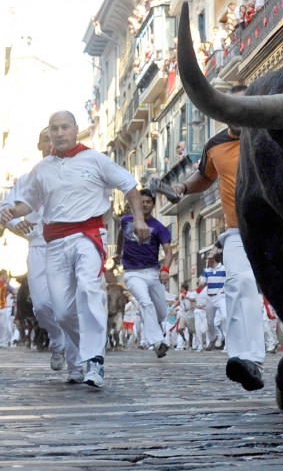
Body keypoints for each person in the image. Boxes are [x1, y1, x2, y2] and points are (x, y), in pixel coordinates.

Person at [0, 111, 150, 388]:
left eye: (64, 127)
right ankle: (86, 348)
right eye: (54, 128)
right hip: (53, 243)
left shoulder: (95, 159)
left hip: (87, 235)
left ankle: (94, 360)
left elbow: (129, 185)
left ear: (74, 130)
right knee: (61, 312)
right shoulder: (42, 169)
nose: (59, 133)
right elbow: (28, 202)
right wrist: (12, 211)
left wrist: (139, 218)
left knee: (89, 289)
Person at [172, 85, 266, 391]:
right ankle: (245, 358)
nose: (237, 113)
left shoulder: (270, 134)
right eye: (230, 107)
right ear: (222, 110)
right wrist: (184, 188)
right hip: (237, 230)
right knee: (239, 283)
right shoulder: (215, 145)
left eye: (243, 106)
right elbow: (204, 176)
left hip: (278, 229)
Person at [1, 128, 68, 370]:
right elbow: (5, 209)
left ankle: (80, 358)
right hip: (39, 246)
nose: (51, 143)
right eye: (45, 140)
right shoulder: (27, 179)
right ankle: (57, 340)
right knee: (41, 305)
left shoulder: (72, 174)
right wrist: (16, 223)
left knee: (69, 302)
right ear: (39, 145)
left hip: (67, 244)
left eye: (55, 138)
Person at [114, 188, 172, 359]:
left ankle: (157, 331)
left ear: (153, 205)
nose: (145, 204)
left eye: (148, 202)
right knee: (145, 303)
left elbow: (168, 252)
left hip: (153, 272)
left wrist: (165, 270)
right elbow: (120, 236)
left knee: (161, 312)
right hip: (132, 273)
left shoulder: (159, 228)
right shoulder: (126, 221)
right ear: (136, 203)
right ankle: (157, 343)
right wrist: (118, 253)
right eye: (142, 201)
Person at [199, 245, 227, 351]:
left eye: (209, 258)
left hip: (221, 297)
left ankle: (227, 344)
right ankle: (213, 338)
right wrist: (202, 280)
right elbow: (201, 284)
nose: (208, 260)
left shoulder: (224, 269)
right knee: (210, 322)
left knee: (225, 317)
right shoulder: (207, 271)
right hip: (210, 298)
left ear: (214, 258)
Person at [176, 283, 197, 350]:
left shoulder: (190, 294)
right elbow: (179, 302)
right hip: (183, 314)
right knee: (179, 329)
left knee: (191, 332)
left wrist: (186, 298)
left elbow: (194, 300)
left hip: (190, 315)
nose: (180, 289)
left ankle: (190, 345)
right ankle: (184, 340)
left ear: (184, 288)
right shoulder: (180, 295)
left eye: (181, 287)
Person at [0, 269, 15, 348]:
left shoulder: (5, 284)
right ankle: (2, 341)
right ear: (3, 275)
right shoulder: (5, 284)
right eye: (5, 275)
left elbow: (13, 290)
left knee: (3, 325)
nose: (7, 276)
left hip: (3, 306)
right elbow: (14, 291)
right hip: (3, 307)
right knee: (3, 325)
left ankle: (2, 341)